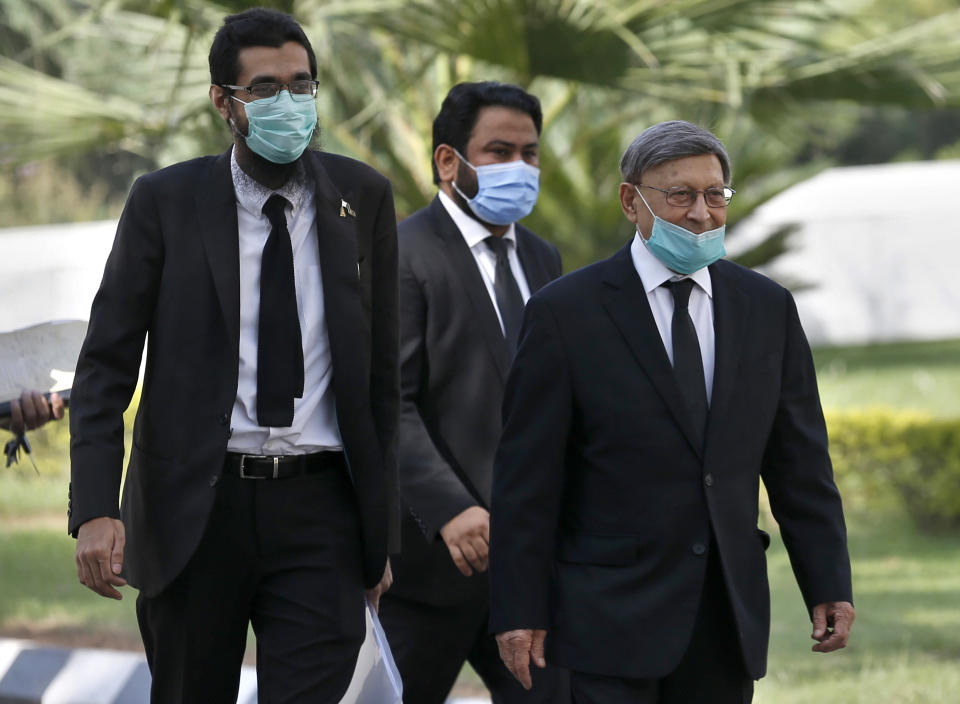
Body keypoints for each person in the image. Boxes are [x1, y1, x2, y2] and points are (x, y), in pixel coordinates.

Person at [67, 8, 398, 702]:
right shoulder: (164, 201)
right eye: (266, 88)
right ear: (224, 101)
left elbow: (379, 376)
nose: (290, 103)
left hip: (321, 509)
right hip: (195, 507)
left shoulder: (360, 197)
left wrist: (378, 531)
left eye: (302, 85)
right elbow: (105, 366)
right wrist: (96, 507)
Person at [489, 120, 854, 703]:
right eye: (679, 195)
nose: (701, 213)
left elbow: (800, 464)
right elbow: (526, 479)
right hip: (604, 618)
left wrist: (828, 581)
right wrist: (518, 608)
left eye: (715, 195)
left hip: (724, 616)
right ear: (631, 201)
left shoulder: (766, 308)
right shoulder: (566, 312)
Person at [377, 81, 569, 703]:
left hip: (531, 573)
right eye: (499, 150)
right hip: (428, 571)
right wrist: (449, 509)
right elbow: (387, 401)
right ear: (447, 161)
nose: (519, 167)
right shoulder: (400, 255)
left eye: (530, 153)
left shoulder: (544, 259)